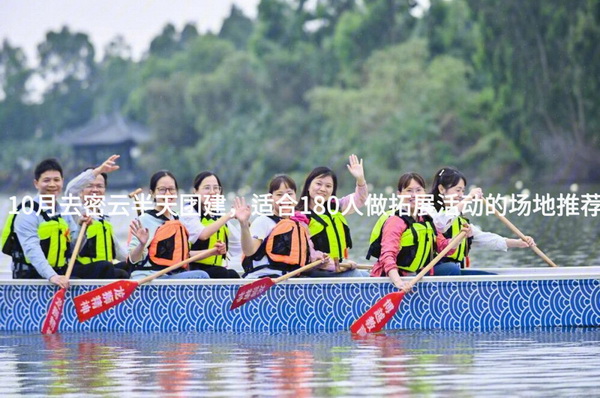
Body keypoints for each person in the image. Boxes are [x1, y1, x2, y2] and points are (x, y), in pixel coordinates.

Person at [1, 159, 114, 288]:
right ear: (36, 183)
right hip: (32, 276)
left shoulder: (63, 212)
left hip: (59, 271)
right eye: (46, 180)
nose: (52, 184)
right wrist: (52, 276)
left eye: (56, 180)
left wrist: (82, 228)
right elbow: (32, 250)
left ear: (62, 182)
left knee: (105, 267)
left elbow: (73, 248)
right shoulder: (27, 212)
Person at [368, 172, 470, 292]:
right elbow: (388, 256)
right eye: (409, 190)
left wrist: (458, 238)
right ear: (399, 194)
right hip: (394, 278)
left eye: (418, 190)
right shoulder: (395, 221)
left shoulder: (426, 218)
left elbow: (443, 247)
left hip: (416, 275)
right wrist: (399, 283)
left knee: (451, 268)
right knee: (451, 269)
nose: (414, 195)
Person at [428, 167, 536, 275]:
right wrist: (469, 198)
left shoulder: (460, 219)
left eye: (463, 191)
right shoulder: (428, 210)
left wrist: (518, 243)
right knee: (452, 269)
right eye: (458, 190)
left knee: (493, 278)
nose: (461, 195)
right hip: (432, 271)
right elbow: (440, 224)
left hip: (454, 271)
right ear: (441, 189)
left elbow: (486, 239)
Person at [128, 171, 219, 280]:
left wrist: (212, 252)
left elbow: (185, 255)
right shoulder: (144, 220)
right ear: (152, 193)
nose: (167, 194)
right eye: (162, 190)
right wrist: (142, 244)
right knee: (201, 276)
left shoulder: (178, 219)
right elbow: (132, 259)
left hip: (171, 275)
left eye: (171, 189)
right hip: (149, 279)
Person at [234, 175, 328, 279]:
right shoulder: (263, 221)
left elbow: (298, 266)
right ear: (270, 198)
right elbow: (249, 251)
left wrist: (316, 263)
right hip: (262, 279)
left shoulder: (299, 226)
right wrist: (243, 225)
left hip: (289, 281)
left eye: (289, 194)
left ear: (295, 197)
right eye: (279, 194)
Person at [296, 154, 369, 277]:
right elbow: (310, 254)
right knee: (359, 276)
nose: (323, 189)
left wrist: (360, 179)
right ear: (308, 186)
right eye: (318, 184)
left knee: (367, 275)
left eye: (328, 186)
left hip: (339, 267)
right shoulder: (300, 217)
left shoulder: (336, 206)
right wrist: (337, 265)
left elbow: (360, 199)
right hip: (316, 271)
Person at [64, 154, 130, 278]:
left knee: (126, 267)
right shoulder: (76, 210)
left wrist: (138, 257)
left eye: (99, 186)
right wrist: (98, 171)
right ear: (81, 190)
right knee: (108, 267)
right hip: (80, 268)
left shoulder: (104, 218)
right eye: (89, 186)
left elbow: (117, 251)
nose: (95, 190)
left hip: (102, 269)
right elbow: (70, 190)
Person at [180, 171, 240, 278]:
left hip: (215, 270)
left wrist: (243, 223)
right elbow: (203, 234)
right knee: (224, 274)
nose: (213, 192)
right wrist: (230, 215)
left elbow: (241, 247)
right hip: (193, 270)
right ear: (195, 191)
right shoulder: (188, 211)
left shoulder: (218, 215)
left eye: (216, 188)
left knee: (231, 274)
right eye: (207, 188)